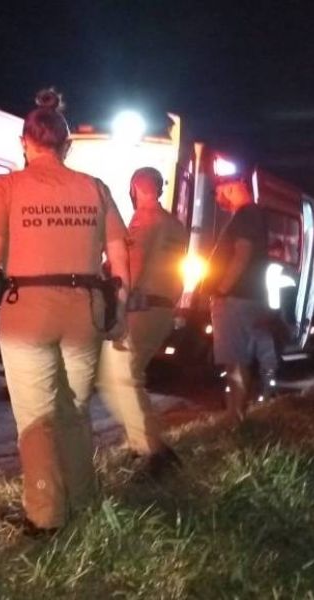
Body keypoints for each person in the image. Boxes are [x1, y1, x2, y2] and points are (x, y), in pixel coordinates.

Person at [0, 88, 130, 536]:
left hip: (28, 311)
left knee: (35, 416)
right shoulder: (95, 188)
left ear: (25, 143)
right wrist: (122, 309)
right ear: (66, 145)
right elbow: (119, 253)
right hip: (84, 310)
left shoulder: (8, 188)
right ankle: (85, 502)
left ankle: (45, 515)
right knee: (73, 412)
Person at [95, 167, 187, 476]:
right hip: (162, 311)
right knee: (125, 378)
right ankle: (147, 445)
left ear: (135, 187)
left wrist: (114, 303)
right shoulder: (176, 225)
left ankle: (152, 452)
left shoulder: (144, 220)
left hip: (140, 310)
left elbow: (131, 268)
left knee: (119, 378)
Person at [208, 179, 278, 423]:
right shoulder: (252, 215)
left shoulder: (247, 215)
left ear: (230, 189)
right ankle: (235, 413)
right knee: (237, 360)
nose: (217, 200)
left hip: (236, 298)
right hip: (245, 297)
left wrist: (221, 289)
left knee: (235, 361)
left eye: (218, 194)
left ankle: (234, 417)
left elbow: (241, 255)